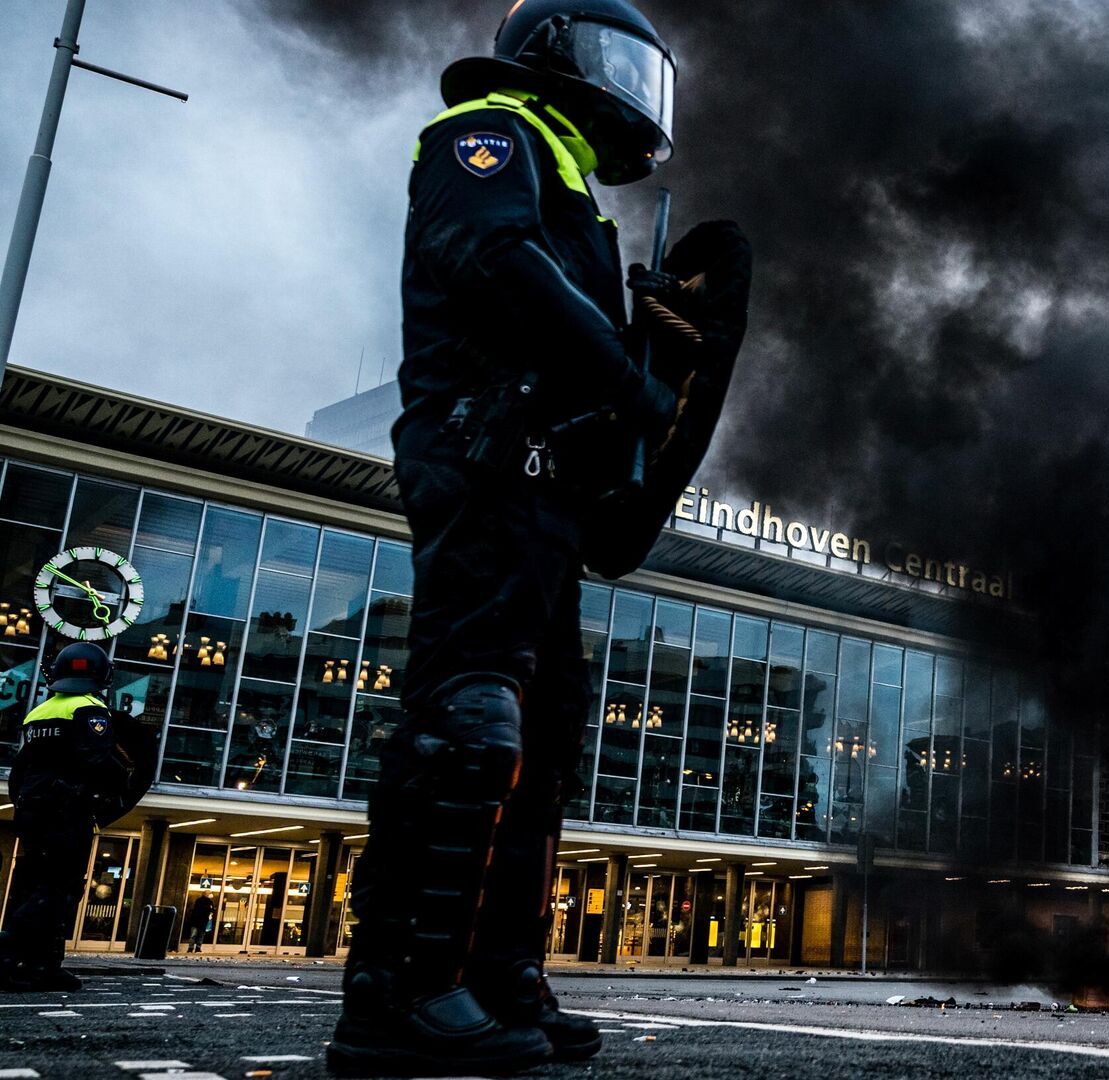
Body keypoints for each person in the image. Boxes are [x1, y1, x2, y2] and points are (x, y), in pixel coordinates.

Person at [331, 1, 748, 1074]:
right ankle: (399, 997)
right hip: (482, 455)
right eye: (614, 57)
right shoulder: (490, 132)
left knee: (542, 743)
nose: (630, 85)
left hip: (548, 487)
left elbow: (558, 311)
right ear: (557, 49)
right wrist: (623, 369)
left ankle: (499, 971)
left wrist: (648, 358)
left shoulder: (569, 177)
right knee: (469, 720)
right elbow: (495, 259)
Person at [0, 642, 142, 991]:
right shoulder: (90, 709)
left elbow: (21, 770)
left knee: (30, 884)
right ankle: (7, 953)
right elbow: (96, 760)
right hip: (67, 810)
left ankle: (42, 966)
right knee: (59, 888)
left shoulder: (39, 712)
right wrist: (123, 779)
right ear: (102, 675)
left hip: (33, 809)